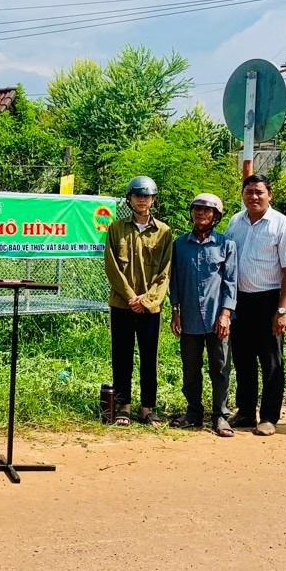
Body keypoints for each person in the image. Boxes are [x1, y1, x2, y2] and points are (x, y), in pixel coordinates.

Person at [224, 174, 286, 436]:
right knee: (243, 360)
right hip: (239, 301)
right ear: (242, 195)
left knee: (271, 362)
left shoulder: (282, 225)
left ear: (270, 195)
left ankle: (268, 417)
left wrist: (282, 310)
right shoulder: (235, 222)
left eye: (259, 192)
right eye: (249, 192)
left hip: (269, 301)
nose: (254, 197)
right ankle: (246, 412)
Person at [103, 175, 173, 426]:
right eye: (137, 195)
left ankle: (147, 407)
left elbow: (165, 272)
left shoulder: (164, 232)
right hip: (122, 304)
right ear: (130, 199)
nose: (142, 200)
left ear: (154, 200)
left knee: (149, 356)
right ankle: (124, 406)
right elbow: (112, 267)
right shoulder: (116, 228)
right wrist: (132, 297)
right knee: (121, 355)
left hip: (151, 308)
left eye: (147, 196)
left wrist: (148, 300)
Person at [168, 193, 238, 436]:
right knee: (190, 367)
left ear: (216, 216)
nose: (201, 214)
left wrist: (226, 314)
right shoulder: (179, 245)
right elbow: (174, 281)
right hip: (188, 318)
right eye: (197, 209)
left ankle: (221, 415)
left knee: (220, 367)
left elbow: (230, 282)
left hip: (217, 318)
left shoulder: (226, 245)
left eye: (207, 211)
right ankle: (193, 412)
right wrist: (175, 311)